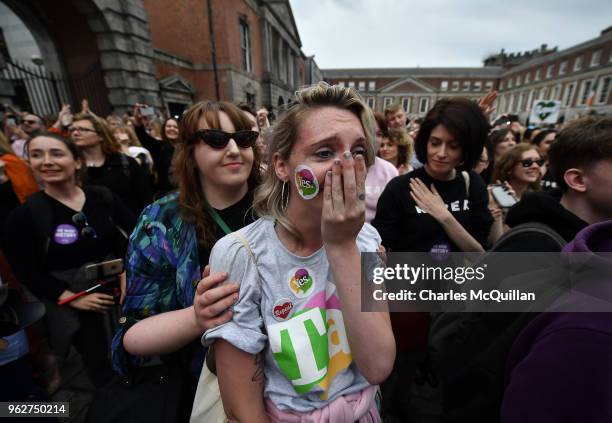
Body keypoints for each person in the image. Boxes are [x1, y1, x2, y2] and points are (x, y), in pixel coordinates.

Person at [203, 82, 395, 421]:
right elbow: (242, 409)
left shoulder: (365, 240)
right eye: (324, 153)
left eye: (359, 151)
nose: (346, 166)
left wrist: (342, 247)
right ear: (282, 166)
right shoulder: (241, 254)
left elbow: (378, 365)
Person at [111, 100, 262, 421]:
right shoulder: (161, 221)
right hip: (205, 385)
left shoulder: (282, 205)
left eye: (245, 138)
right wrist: (197, 317)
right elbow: (132, 336)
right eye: (217, 139)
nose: (234, 149)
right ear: (190, 150)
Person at [3, 133, 136, 388]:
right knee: (97, 367)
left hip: (121, 296)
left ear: (76, 162)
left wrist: (127, 271)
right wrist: (73, 298)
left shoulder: (102, 197)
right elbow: (26, 271)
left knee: (133, 355)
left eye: (56, 153)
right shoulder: (24, 216)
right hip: (73, 307)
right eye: (37, 155)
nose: (47, 161)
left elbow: (134, 235)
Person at [372, 97, 493, 254]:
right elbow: (381, 247)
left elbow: (480, 253)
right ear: (425, 142)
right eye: (435, 143)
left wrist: (444, 216)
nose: (441, 153)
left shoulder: (473, 183)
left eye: (453, 146)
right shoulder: (399, 188)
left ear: (466, 148)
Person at [69, 113, 153, 216]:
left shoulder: (125, 163)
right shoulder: (71, 167)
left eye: (83, 129)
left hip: (131, 227)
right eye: (72, 130)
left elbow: (146, 197)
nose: (75, 133)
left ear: (100, 135)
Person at [132, 105, 180, 197]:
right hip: (164, 195)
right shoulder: (159, 146)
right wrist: (138, 121)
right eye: (168, 126)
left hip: (185, 193)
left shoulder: (186, 148)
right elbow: (143, 136)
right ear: (164, 129)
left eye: (175, 127)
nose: (172, 129)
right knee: (154, 212)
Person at [365, 113, 398, 223]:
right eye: (368, 132)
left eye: (379, 134)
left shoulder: (389, 170)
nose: (373, 139)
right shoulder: (341, 167)